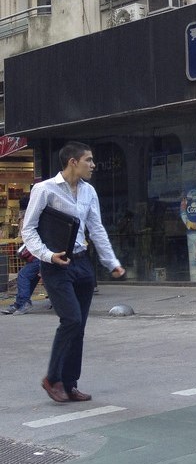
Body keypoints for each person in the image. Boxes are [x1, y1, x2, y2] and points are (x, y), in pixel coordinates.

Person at [21, 141, 125, 403]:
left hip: (82, 263)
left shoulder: (89, 192)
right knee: (71, 320)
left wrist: (110, 262)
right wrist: (47, 256)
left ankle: (70, 384)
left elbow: (96, 228)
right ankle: (52, 379)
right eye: (88, 160)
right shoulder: (44, 190)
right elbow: (28, 229)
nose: (93, 165)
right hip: (56, 264)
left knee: (79, 327)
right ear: (73, 162)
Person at [2, 194, 44, 315]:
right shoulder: (37, 216)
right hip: (39, 253)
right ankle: (19, 303)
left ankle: (23, 302)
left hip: (38, 253)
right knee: (31, 278)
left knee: (23, 276)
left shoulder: (30, 217)